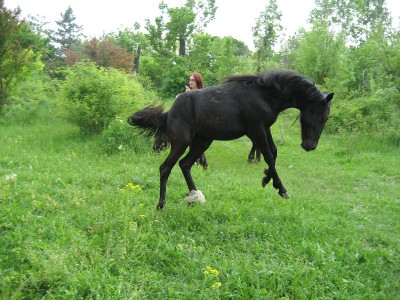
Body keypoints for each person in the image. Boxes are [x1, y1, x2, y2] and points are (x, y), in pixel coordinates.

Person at [185, 72, 208, 170]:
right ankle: (201, 162)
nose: (191, 82)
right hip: (189, 121)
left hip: (199, 122)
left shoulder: (202, 92)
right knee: (191, 141)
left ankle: (201, 162)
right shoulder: (188, 92)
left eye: (193, 80)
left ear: (198, 81)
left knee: (196, 142)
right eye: (190, 80)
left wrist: (189, 94)